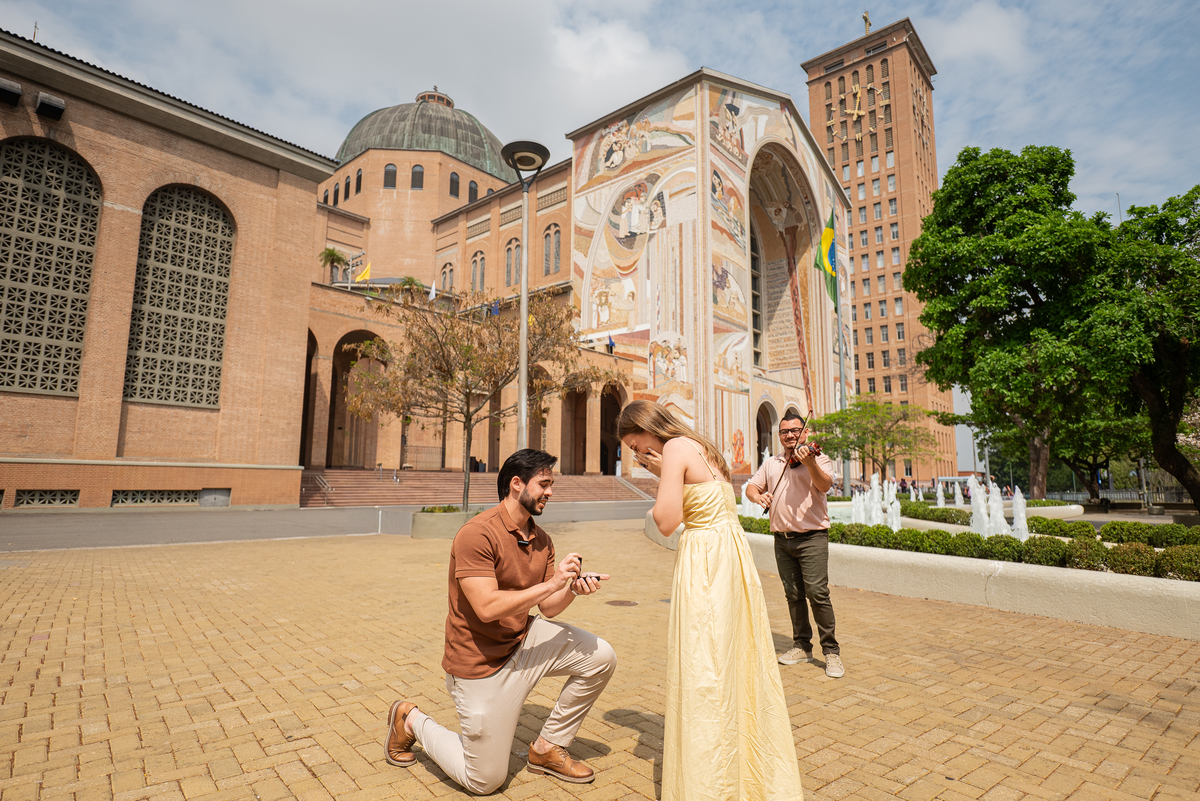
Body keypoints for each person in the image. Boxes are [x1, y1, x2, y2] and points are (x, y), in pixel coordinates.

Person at [384, 449, 616, 794]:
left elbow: (548, 607)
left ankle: (547, 748)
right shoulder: (476, 534)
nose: (550, 492)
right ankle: (410, 720)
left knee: (601, 656)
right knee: (485, 781)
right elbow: (487, 607)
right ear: (516, 484)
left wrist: (570, 591)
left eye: (551, 484)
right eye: (544, 484)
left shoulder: (542, 538)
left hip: (523, 642)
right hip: (479, 664)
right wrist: (551, 583)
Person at [618, 400, 804, 801]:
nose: (637, 454)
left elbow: (666, 521)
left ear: (649, 429)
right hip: (730, 559)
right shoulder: (703, 446)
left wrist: (658, 476)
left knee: (705, 667)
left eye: (636, 445)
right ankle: (749, 773)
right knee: (736, 662)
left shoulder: (673, 450)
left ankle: (710, 784)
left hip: (705, 564)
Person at [744, 410, 843, 679]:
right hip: (782, 540)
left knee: (817, 593)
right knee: (793, 595)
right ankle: (802, 646)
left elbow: (824, 485)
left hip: (812, 538)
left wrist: (809, 462)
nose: (790, 436)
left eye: (795, 431)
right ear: (780, 436)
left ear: (805, 432)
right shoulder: (772, 463)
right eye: (785, 432)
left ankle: (831, 652)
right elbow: (750, 487)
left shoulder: (819, 458)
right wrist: (758, 497)